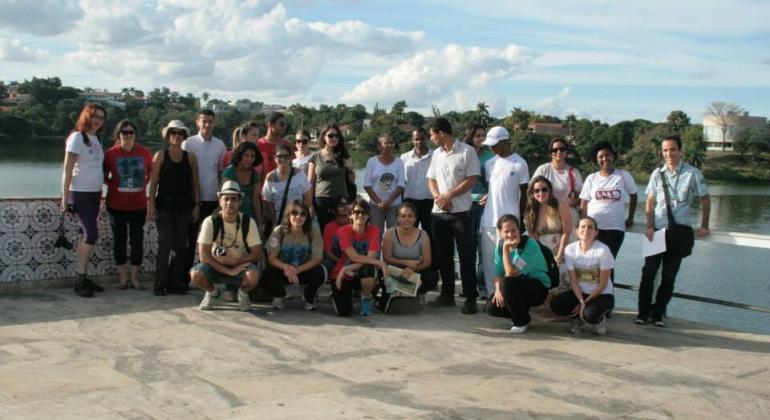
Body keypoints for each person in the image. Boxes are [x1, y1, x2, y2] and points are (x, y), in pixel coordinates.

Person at [637, 135, 710, 327]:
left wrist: (704, 225)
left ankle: (659, 314)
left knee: (669, 275)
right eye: (665, 150)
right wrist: (649, 225)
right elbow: (650, 201)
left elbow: (705, 199)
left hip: (679, 232)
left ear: (680, 150)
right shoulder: (657, 173)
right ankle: (643, 312)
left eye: (673, 149)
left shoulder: (693, 173)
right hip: (657, 229)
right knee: (648, 272)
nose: (669, 154)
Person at [425, 118, 480, 314]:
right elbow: (431, 179)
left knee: (466, 257)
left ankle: (470, 297)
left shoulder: (467, 151)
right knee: (443, 256)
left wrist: (450, 195)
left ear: (441, 133)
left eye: (432, 134)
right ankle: (446, 295)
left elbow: (472, 179)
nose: (431, 138)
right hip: (439, 214)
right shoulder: (436, 155)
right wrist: (439, 198)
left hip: (461, 213)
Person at [190, 181, 262, 311]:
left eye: (234, 199)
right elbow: (204, 256)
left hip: (240, 265)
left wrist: (236, 262)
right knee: (196, 274)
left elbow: (257, 254)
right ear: (220, 201)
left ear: (240, 202)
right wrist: (228, 270)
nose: (229, 203)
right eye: (226, 199)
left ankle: (242, 293)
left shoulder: (248, 222)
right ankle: (211, 292)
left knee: (253, 275)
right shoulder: (210, 221)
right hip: (215, 266)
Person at [147, 120, 200, 295]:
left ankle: (175, 283)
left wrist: (197, 205)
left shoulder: (190, 157)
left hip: (184, 206)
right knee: (164, 245)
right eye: (173, 133)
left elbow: (195, 183)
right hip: (164, 207)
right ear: (168, 136)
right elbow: (154, 183)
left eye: (180, 134)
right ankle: (160, 284)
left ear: (184, 136)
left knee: (180, 247)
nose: (177, 136)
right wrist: (151, 205)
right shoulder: (160, 156)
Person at [61, 103, 107, 297]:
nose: (97, 120)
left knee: (84, 234)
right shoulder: (76, 138)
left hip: (94, 193)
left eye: (101, 118)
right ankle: (80, 280)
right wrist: (65, 199)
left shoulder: (95, 139)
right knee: (91, 233)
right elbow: (67, 169)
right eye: (95, 116)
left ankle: (83, 275)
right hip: (78, 192)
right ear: (87, 116)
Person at [478, 126, 530, 299]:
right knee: (489, 260)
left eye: (495, 144)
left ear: (505, 142)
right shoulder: (489, 164)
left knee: (509, 259)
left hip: (510, 222)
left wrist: (521, 219)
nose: (491, 148)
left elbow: (524, 193)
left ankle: (509, 294)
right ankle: (493, 295)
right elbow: (493, 189)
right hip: (488, 220)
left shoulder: (519, 163)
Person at [103, 119, 152, 290]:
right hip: (116, 206)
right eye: (125, 132)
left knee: (137, 242)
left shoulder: (144, 152)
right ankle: (123, 279)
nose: (128, 135)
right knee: (120, 241)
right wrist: (113, 186)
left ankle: (135, 278)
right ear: (119, 135)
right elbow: (102, 175)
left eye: (131, 132)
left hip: (138, 206)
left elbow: (152, 173)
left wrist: (144, 186)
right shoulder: (110, 154)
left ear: (135, 134)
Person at [580, 141, 637, 282]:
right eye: (601, 156)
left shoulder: (623, 176)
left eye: (608, 155)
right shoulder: (591, 178)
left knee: (606, 263)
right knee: (590, 262)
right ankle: (590, 296)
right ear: (596, 160)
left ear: (613, 156)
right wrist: (583, 224)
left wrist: (630, 217)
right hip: (593, 229)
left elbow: (634, 195)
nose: (605, 159)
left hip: (615, 229)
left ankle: (606, 297)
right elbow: (584, 202)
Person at [551, 217, 614, 335]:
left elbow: (603, 284)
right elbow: (574, 281)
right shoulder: (570, 249)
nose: (586, 230)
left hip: (602, 295)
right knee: (557, 304)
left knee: (590, 314)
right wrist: (581, 300)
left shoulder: (603, 251)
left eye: (590, 227)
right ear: (577, 231)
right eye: (583, 227)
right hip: (581, 293)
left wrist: (584, 303)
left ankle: (598, 319)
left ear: (596, 233)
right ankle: (578, 318)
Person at [487, 215, 550, 334]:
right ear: (500, 232)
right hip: (515, 286)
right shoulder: (500, 246)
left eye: (513, 230)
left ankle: (521, 321)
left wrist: (506, 249)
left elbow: (511, 273)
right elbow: (498, 274)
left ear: (519, 229)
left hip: (537, 288)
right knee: (491, 307)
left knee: (508, 282)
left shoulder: (530, 245)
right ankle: (522, 314)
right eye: (506, 231)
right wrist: (497, 290)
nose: (510, 235)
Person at [182, 110, 226, 276]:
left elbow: (221, 173)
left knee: (213, 241)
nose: (207, 125)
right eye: (204, 121)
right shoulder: (188, 143)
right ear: (197, 122)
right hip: (193, 200)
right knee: (189, 239)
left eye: (210, 121)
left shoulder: (220, 145)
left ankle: (210, 276)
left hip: (213, 199)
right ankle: (184, 278)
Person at [263, 200, 325, 311]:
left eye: (303, 214)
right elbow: (271, 258)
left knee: (321, 272)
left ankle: (308, 295)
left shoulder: (313, 231)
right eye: (294, 213)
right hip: (284, 271)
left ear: (307, 217)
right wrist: (286, 267)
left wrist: (298, 269)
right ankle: (280, 294)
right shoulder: (279, 231)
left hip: (303, 269)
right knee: (267, 272)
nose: (298, 217)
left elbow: (317, 258)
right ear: (288, 215)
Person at [331, 198, 388, 317]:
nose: (360, 215)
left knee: (369, 267)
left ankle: (366, 298)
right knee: (344, 311)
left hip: (358, 273)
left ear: (368, 216)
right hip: (342, 276)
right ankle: (340, 296)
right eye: (356, 212)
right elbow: (354, 257)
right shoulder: (343, 231)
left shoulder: (374, 230)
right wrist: (381, 263)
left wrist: (346, 268)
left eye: (364, 212)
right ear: (350, 215)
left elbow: (370, 258)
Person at [381, 202, 438, 304]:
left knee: (432, 276)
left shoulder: (423, 234)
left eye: (410, 216)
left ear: (415, 218)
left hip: (415, 269)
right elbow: (387, 258)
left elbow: (427, 261)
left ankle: (418, 293)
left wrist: (412, 268)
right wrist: (406, 262)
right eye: (403, 216)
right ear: (398, 218)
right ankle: (403, 293)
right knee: (381, 274)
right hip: (395, 269)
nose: (407, 219)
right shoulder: (389, 233)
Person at [526, 176, 574, 291]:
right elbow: (534, 238)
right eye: (536, 191)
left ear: (550, 190)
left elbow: (566, 233)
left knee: (561, 273)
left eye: (544, 189)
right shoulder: (531, 210)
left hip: (562, 249)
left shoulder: (560, 205)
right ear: (532, 193)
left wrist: (559, 256)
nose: (540, 193)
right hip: (543, 252)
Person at [464, 124, 495, 296]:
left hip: (484, 206)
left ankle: (483, 285)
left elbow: (494, 182)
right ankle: (469, 287)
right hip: (466, 205)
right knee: (468, 246)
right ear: (470, 136)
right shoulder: (464, 154)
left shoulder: (490, 157)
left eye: (484, 135)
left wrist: (489, 195)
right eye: (478, 135)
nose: (481, 139)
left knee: (484, 247)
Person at [308, 123, 355, 231]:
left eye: (337, 136)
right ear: (324, 137)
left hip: (341, 200)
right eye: (330, 135)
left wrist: (350, 169)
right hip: (321, 200)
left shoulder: (344, 156)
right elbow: (310, 183)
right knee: (323, 230)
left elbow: (351, 181)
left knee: (341, 231)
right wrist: (310, 205)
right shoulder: (315, 156)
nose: (334, 138)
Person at [363, 133, 405, 243]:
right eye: (386, 143)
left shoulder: (399, 162)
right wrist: (379, 202)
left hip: (394, 206)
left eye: (391, 143)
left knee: (394, 237)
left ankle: (392, 260)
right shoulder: (372, 161)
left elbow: (401, 185)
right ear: (379, 146)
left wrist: (388, 202)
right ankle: (375, 260)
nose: (389, 145)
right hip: (376, 206)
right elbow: (367, 184)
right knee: (375, 237)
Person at [261, 145, 313, 228]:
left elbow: (307, 199)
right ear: (274, 157)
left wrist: (303, 217)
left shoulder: (299, 174)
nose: (283, 159)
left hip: (298, 221)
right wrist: (274, 222)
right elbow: (268, 202)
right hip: (280, 222)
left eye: (286, 156)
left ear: (291, 157)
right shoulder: (270, 177)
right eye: (279, 156)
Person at [533, 138, 583, 219]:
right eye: (555, 150)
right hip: (545, 214)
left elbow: (581, 197)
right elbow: (532, 191)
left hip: (568, 214)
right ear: (550, 153)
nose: (559, 152)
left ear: (566, 152)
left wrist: (573, 202)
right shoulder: (542, 170)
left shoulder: (573, 172)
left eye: (562, 149)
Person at [400, 127, 434, 239]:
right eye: (416, 139)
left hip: (429, 202)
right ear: (412, 140)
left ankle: (430, 257)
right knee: (409, 233)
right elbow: (401, 182)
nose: (419, 142)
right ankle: (409, 256)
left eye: (422, 139)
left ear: (427, 139)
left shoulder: (435, 156)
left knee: (429, 234)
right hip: (410, 202)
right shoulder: (404, 158)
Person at [221, 141, 264, 226]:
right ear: (240, 156)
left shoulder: (254, 174)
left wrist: (259, 223)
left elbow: (255, 199)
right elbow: (224, 197)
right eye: (246, 155)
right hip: (231, 216)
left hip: (250, 216)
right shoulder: (230, 172)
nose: (249, 159)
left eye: (252, 156)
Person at [257, 112, 294, 182]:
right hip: (264, 188)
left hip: (284, 187)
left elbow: (292, 167)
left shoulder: (287, 145)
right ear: (270, 124)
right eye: (282, 124)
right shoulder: (258, 145)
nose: (284, 127)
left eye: (285, 124)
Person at [322, 196, 350, 274]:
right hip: (336, 261)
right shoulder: (329, 227)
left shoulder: (355, 224)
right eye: (341, 205)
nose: (345, 207)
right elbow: (327, 253)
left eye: (347, 204)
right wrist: (341, 261)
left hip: (355, 261)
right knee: (324, 266)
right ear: (333, 210)